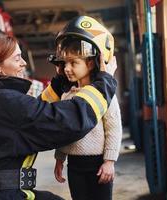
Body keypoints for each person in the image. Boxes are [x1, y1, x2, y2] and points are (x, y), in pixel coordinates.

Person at [0, 29, 117, 199]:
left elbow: (37, 113)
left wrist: (60, 81)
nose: (24, 63)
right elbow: (67, 121)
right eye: (17, 58)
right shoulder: (8, 102)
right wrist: (104, 82)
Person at [52, 16, 122, 200]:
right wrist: (60, 158)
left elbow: (113, 128)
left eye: (74, 63)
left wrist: (109, 161)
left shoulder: (103, 94)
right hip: (74, 165)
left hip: (98, 164)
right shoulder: (67, 95)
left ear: (90, 63)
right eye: (64, 63)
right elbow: (64, 130)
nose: (67, 68)